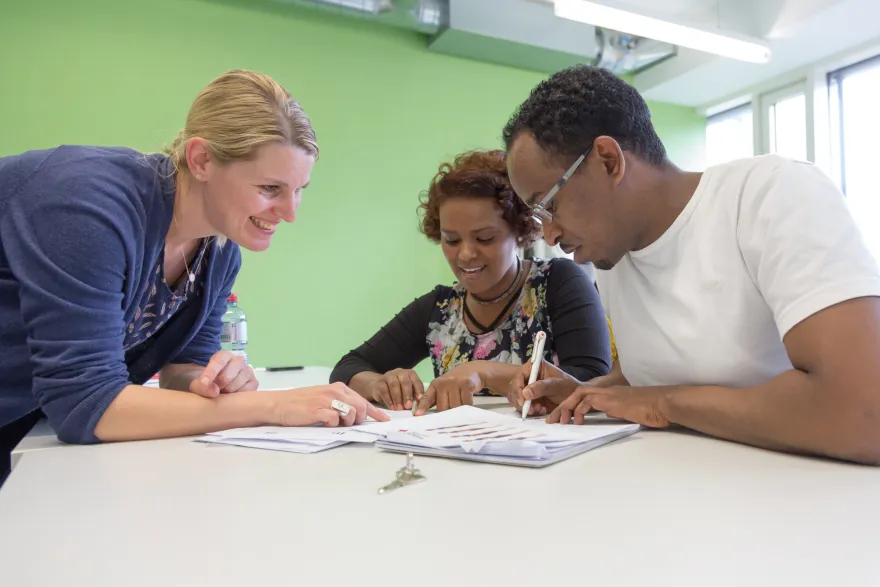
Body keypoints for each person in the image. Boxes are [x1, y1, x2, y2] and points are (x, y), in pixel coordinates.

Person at [0, 69, 385, 484]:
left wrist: (215, 380)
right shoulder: (87, 205)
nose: (291, 213)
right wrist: (273, 406)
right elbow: (83, 403)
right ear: (201, 160)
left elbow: (182, 371)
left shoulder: (219, 252)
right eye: (270, 189)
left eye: (299, 189)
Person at [503, 64, 880, 465]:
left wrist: (663, 404)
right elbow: (668, 369)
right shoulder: (614, 253)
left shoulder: (772, 194)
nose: (549, 235)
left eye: (550, 206)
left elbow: (863, 415)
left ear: (609, 161)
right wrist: (587, 392)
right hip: (689, 497)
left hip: (809, 502)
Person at [330, 150, 611, 414]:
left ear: (520, 229)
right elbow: (347, 368)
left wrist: (484, 372)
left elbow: (593, 380)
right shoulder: (439, 309)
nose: (465, 254)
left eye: (485, 238)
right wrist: (381, 384)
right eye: (451, 240)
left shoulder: (558, 283)